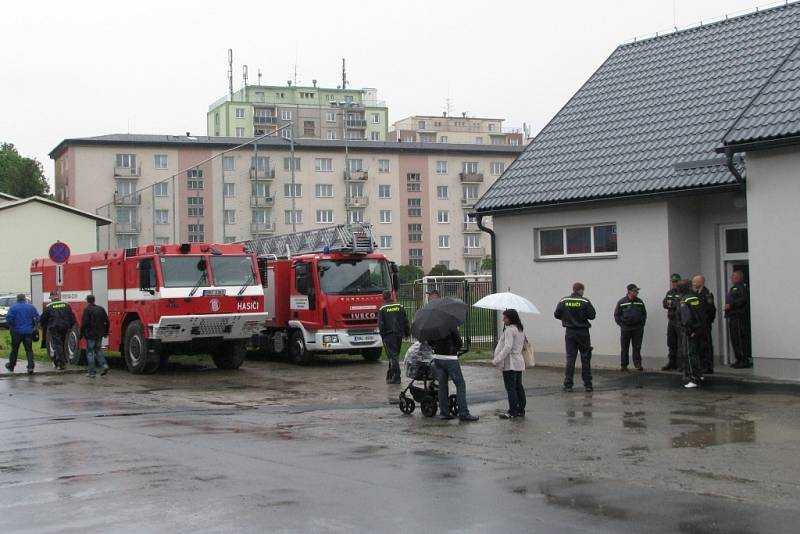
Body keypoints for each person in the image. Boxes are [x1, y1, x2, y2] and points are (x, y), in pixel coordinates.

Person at [430, 320, 478, 422]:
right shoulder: (450, 325)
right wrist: (455, 348)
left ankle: (444, 412)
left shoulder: (433, 325)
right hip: (450, 358)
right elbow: (458, 342)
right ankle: (463, 413)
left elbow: (430, 342)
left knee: (442, 385)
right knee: (460, 384)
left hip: (438, 358)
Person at [554, 282, 597, 392]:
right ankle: (588, 384)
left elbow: (557, 314)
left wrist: (567, 319)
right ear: (580, 290)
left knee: (570, 359)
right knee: (585, 358)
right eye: (583, 290)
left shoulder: (564, 301)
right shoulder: (584, 301)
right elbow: (592, 315)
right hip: (583, 332)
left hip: (570, 332)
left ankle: (568, 385)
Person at [492, 309, 526, 419]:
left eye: (505, 317)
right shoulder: (520, 329)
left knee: (511, 388)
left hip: (510, 363)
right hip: (518, 362)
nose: (503, 319)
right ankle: (521, 408)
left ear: (510, 318)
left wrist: (497, 359)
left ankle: (512, 411)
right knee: (518, 386)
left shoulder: (510, 330)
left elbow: (508, 347)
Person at [39, 291, 76, 371]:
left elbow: (42, 319)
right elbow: (72, 317)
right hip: (65, 328)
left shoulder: (48, 307)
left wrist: (43, 326)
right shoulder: (66, 305)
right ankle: (57, 362)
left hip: (54, 328)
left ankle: (61, 364)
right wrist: (70, 326)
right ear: (58, 297)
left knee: (57, 345)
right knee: (61, 344)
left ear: (52, 298)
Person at [678, 280, 705, 388]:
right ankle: (699, 374)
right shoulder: (696, 297)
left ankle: (694, 379)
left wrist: (689, 330)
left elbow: (686, 318)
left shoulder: (685, 300)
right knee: (697, 353)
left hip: (690, 331)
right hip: (699, 329)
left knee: (689, 354)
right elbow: (702, 313)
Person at [614, 283, 647, 371]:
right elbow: (617, 315)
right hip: (626, 328)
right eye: (635, 291)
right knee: (625, 347)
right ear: (629, 291)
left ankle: (638, 364)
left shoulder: (639, 301)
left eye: (637, 291)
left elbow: (644, 314)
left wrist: (641, 325)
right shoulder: (621, 302)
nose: (637, 292)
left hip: (637, 328)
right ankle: (624, 365)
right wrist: (622, 325)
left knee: (637, 347)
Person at [378, 293, 409, 384]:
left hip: (389, 335)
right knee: (395, 355)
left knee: (393, 356)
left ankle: (397, 377)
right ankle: (392, 374)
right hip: (399, 335)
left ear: (383, 297)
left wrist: (382, 334)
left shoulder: (382, 308)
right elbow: (405, 320)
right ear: (390, 297)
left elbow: (381, 324)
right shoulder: (399, 306)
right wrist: (406, 332)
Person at [4, 294, 39, 374]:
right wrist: (33, 326)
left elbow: (9, 319)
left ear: (17, 299)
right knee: (29, 350)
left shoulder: (13, 308)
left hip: (16, 332)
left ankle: (11, 366)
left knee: (14, 350)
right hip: (28, 332)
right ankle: (30, 367)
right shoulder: (31, 307)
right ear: (25, 299)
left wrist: (12, 327)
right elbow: (37, 318)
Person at [725, 270, 752, 368]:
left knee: (740, 340)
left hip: (739, 317)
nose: (731, 278)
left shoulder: (741, 287)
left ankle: (743, 360)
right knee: (735, 339)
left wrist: (731, 305)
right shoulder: (734, 288)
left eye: (734, 276)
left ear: (740, 277)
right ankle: (739, 359)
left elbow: (743, 299)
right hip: (733, 317)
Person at [80, 295, 110, 378]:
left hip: (90, 335)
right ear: (94, 300)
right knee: (98, 350)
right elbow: (107, 321)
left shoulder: (87, 310)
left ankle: (92, 372)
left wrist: (81, 334)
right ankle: (104, 365)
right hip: (99, 334)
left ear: (87, 301)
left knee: (90, 352)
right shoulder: (101, 309)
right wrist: (106, 332)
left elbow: (84, 324)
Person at [692, 275, 716, 374]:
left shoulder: (706, 294)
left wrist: (706, 322)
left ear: (701, 282)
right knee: (700, 346)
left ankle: (708, 366)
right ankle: (702, 365)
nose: (693, 284)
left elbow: (711, 310)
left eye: (695, 282)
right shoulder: (696, 293)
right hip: (698, 325)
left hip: (704, 324)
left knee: (706, 345)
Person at [661, 273, 682, 371]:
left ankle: (680, 364)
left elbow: (679, 304)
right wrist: (673, 303)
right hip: (671, 321)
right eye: (673, 282)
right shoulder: (670, 293)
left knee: (680, 343)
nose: (674, 283)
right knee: (671, 342)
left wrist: (672, 303)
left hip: (680, 321)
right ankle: (672, 362)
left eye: (676, 281)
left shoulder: (683, 292)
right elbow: (665, 304)